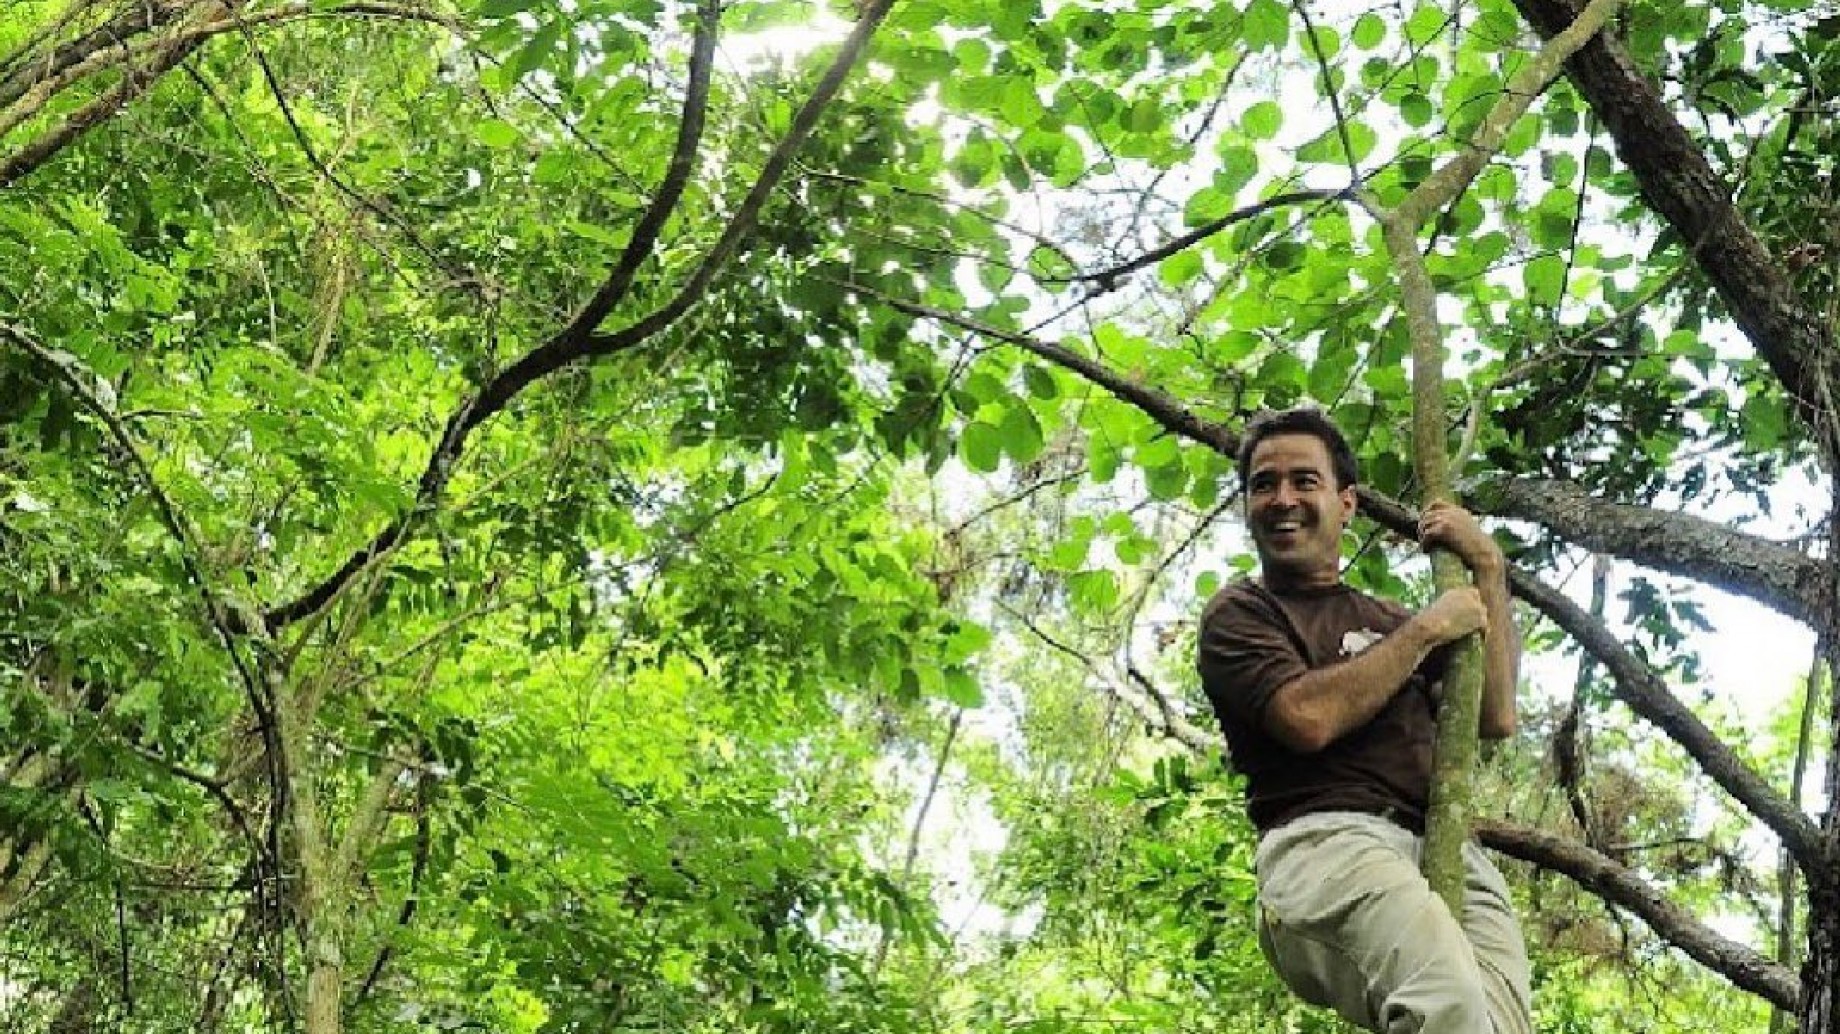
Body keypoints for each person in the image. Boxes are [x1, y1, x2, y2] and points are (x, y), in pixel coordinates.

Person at [1195, 407, 1531, 1034]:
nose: (1281, 498)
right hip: (1327, 845)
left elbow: (1495, 715)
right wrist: (1429, 630)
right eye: (1263, 484)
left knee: (1498, 1025)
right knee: (1446, 1001)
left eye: (1304, 481)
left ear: (1346, 503)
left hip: (1445, 844)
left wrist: (1489, 570)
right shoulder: (1241, 614)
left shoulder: (1388, 618)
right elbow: (1307, 718)